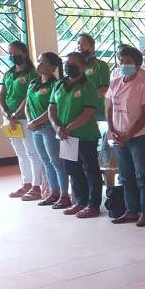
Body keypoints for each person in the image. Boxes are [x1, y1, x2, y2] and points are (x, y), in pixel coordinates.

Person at [106, 46, 145, 227]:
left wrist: (129, 133)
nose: (123, 65)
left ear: (137, 64)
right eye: (121, 61)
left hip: (138, 137)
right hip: (119, 137)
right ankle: (130, 210)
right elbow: (110, 107)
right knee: (125, 175)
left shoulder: (142, 85)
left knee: (141, 175)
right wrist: (113, 129)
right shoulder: (115, 82)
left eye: (127, 62)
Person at [50, 51, 102, 218]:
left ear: (82, 67)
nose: (68, 67)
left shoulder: (88, 87)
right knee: (73, 170)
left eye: (73, 64)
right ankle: (80, 201)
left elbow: (88, 113)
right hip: (66, 137)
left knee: (90, 170)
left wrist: (68, 128)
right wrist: (57, 127)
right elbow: (51, 108)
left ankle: (93, 205)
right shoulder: (58, 85)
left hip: (85, 136)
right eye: (67, 63)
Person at [26, 52, 69, 208]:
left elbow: (53, 108)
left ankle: (64, 195)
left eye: (43, 62)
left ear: (52, 67)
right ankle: (53, 192)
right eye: (38, 61)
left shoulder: (55, 84)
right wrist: (31, 121)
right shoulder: (33, 82)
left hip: (49, 128)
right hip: (36, 129)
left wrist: (37, 121)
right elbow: (27, 104)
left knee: (56, 162)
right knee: (46, 162)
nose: (39, 65)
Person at [0, 41, 40, 199]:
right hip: (9, 120)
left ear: (24, 54)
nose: (11, 56)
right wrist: (6, 113)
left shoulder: (32, 74)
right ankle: (26, 184)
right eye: (10, 53)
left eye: (15, 53)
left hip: (24, 119)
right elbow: (1, 95)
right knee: (21, 154)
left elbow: (28, 97)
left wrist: (16, 114)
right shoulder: (9, 73)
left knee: (32, 153)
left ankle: (37, 187)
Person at [76, 33, 110, 120]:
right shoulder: (75, 66)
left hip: (97, 112)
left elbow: (104, 88)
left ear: (92, 47)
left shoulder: (101, 65)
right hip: (77, 112)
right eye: (78, 43)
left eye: (83, 44)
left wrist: (86, 101)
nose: (80, 46)